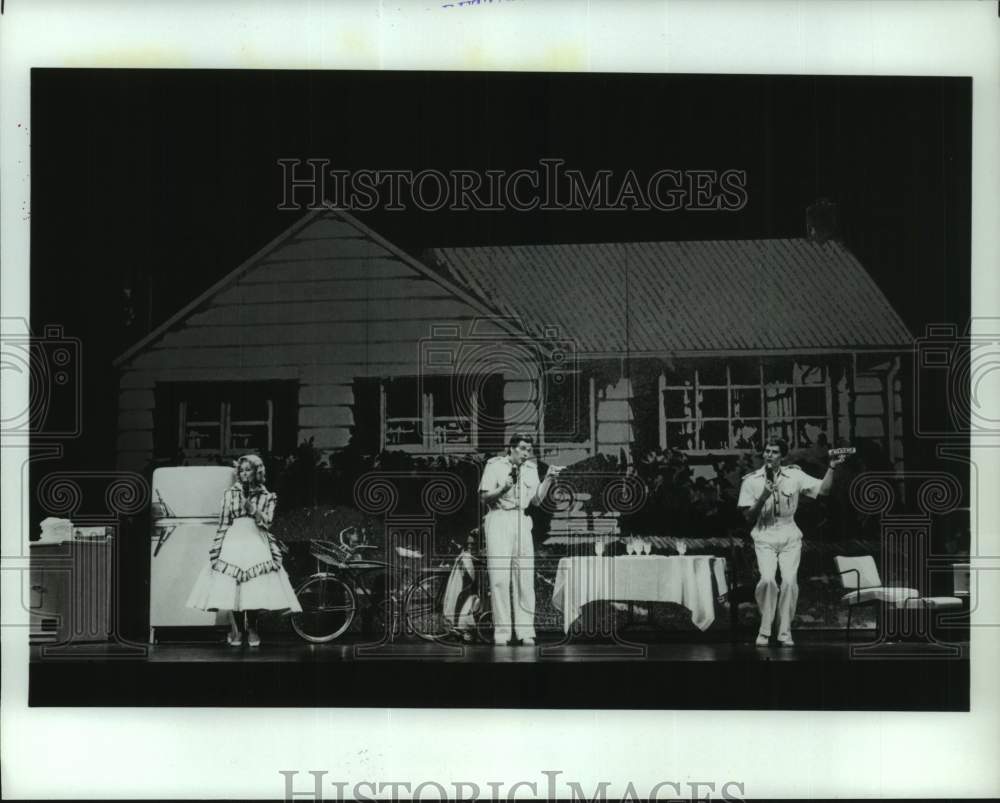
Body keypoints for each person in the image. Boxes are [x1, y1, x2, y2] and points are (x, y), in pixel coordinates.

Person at [737, 437, 846, 647]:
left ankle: (784, 632)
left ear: (783, 456)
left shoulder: (794, 475)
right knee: (768, 580)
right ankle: (765, 630)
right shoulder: (751, 480)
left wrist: (832, 467)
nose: (769, 455)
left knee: (788, 582)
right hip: (764, 535)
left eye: (774, 451)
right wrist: (763, 496)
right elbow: (748, 518)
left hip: (790, 534)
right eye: (767, 451)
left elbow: (823, 491)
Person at [186, 453, 301, 647]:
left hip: (255, 538)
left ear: (257, 472)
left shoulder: (266, 496)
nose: (244, 473)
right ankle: (238, 630)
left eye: (249, 470)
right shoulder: (230, 494)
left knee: (253, 585)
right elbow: (224, 522)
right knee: (233, 584)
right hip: (234, 538)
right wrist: (217, 546)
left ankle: (253, 629)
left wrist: (253, 510)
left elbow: (268, 522)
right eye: (242, 470)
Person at [478, 434, 563, 646]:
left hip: (521, 521)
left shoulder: (531, 469)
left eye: (529, 449)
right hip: (499, 519)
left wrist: (549, 479)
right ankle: (502, 632)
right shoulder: (495, 465)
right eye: (523, 448)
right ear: (511, 448)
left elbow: (536, 499)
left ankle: (526, 631)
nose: (526, 453)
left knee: (524, 577)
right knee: (499, 578)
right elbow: (483, 498)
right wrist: (503, 488)